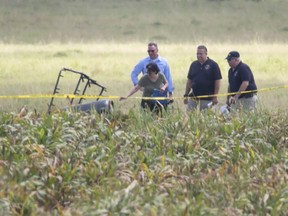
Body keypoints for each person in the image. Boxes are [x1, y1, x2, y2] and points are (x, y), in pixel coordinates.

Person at [183, 45, 222, 111]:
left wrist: (215, 96)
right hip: (194, 96)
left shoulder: (213, 65)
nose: (198, 56)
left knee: (205, 117)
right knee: (189, 114)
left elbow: (217, 81)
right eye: (197, 54)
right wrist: (186, 94)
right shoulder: (193, 65)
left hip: (207, 97)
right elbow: (189, 80)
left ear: (206, 54)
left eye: (201, 54)